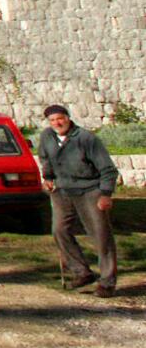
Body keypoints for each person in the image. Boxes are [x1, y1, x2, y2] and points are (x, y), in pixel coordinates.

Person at [38, 104, 119, 297]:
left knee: (100, 235)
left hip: (90, 190)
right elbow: (45, 158)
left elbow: (108, 169)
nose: (57, 123)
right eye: (52, 120)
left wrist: (106, 194)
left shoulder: (86, 138)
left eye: (60, 118)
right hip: (62, 190)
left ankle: (107, 282)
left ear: (68, 118)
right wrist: (48, 178)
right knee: (59, 231)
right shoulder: (47, 137)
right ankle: (82, 272)